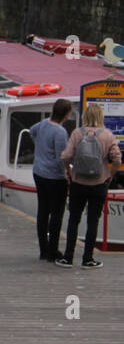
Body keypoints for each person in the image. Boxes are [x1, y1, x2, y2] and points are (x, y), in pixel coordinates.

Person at [57, 102, 119, 268]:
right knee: (93, 221)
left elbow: (65, 156)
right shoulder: (107, 135)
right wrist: (110, 175)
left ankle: (68, 257)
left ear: (85, 116)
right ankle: (88, 259)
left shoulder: (77, 133)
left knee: (74, 220)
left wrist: (69, 171)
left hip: (78, 183)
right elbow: (117, 159)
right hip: (99, 184)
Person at [29, 99, 72, 261]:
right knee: (56, 213)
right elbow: (62, 157)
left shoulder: (43, 123)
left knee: (43, 211)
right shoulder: (60, 132)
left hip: (38, 172)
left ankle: (43, 249)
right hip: (54, 177)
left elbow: (31, 131)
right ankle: (53, 250)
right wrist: (67, 173)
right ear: (67, 114)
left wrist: (39, 147)